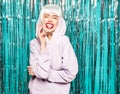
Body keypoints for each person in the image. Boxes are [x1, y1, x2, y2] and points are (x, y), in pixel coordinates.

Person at [28, 4, 78, 94]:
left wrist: (41, 72)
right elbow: (42, 74)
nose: (50, 20)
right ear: (41, 20)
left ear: (59, 22)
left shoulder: (64, 41)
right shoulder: (34, 43)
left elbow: (70, 74)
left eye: (54, 17)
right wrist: (43, 44)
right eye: (46, 16)